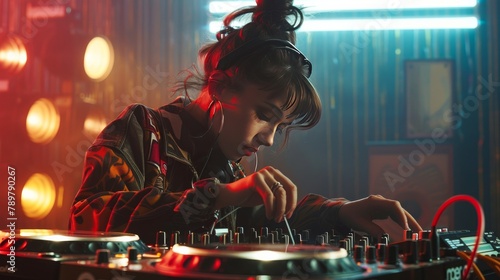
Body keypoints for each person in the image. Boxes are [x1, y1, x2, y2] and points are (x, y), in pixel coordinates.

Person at [69, 0, 422, 245]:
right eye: (265, 115)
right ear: (220, 86)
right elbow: (86, 220)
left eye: (280, 126)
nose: (268, 138)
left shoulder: (229, 174)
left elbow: (273, 218)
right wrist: (219, 196)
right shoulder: (142, 129)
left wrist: (341, 212)